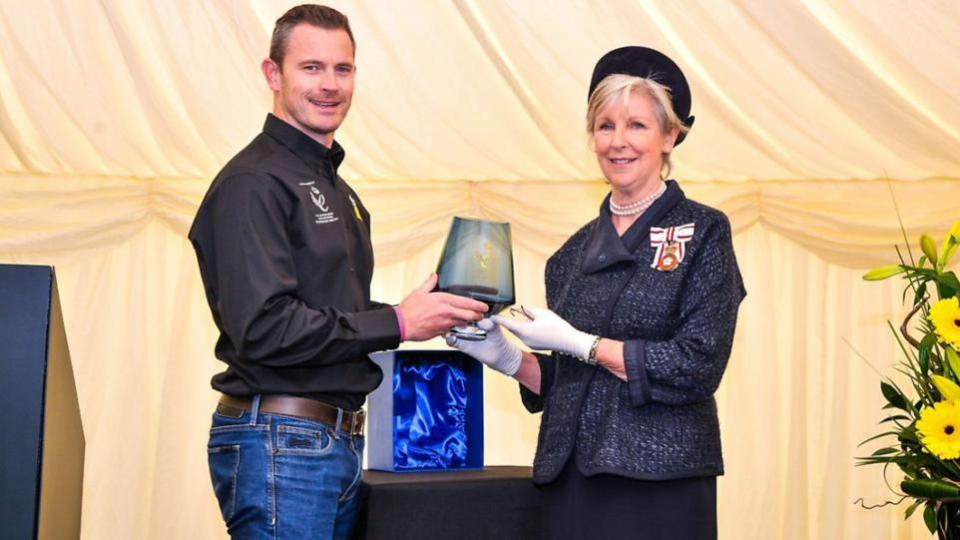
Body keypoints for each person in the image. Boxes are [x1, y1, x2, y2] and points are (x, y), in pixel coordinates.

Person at [188, 5, 487, 539]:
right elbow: (265, 329)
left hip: (332, 442)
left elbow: (331, 317)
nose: (329, 85)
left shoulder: (337, 188)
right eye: (311, 68)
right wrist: (396, 322)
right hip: (283, 439)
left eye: (342, 69)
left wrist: (423, 314)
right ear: (272, 74)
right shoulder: (253, 183)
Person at [453, 46, 746, 539]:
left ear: (670, 136)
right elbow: (569, 384)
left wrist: (584, 345)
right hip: (572, 482)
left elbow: (699, 364)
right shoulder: (569, 256)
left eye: (637, 126)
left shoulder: (702, 231)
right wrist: (507, 358)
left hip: (660, 481)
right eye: (605, 126)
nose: (618, 142)